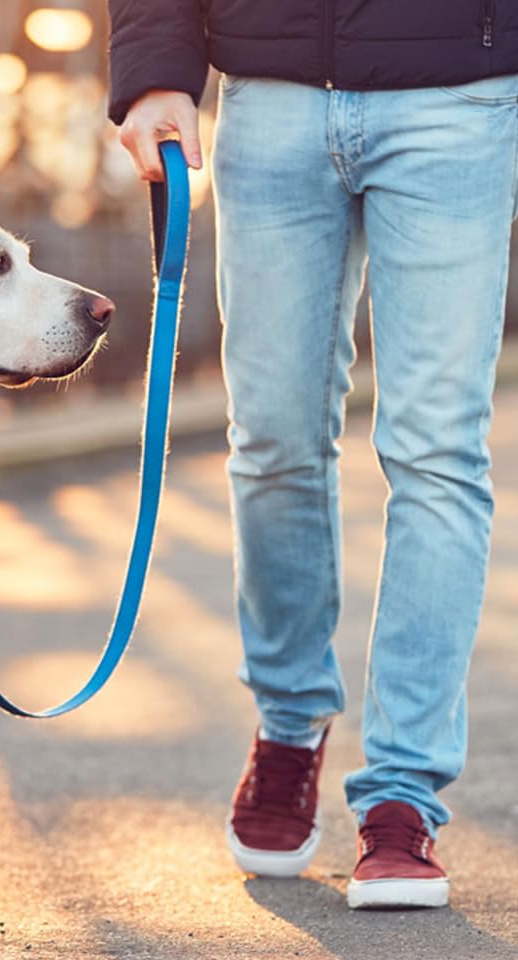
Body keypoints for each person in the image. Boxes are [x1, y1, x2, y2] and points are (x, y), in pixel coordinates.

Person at [107, 0, 518, 909]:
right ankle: (290, 724)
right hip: (270, 94)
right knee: (273, 442)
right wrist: (154, 70)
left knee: (438, 450)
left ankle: (403, 794)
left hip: (461, 92)